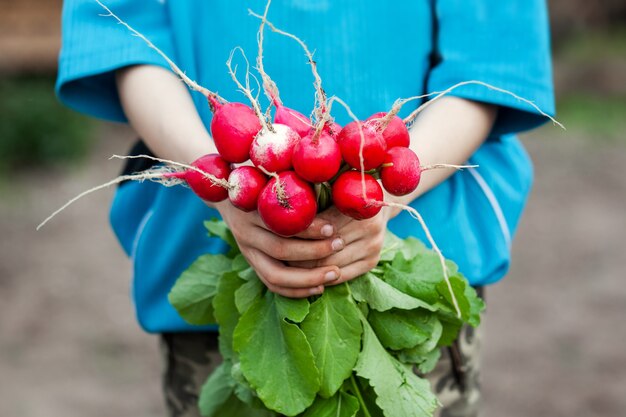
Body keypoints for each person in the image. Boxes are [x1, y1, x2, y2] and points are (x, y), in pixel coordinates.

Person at [56, 1, 555, 416]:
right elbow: (123, 30)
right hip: (201, 243)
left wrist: (384, 201)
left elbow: (490, 63)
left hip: (426, 249)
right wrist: (226, 185)